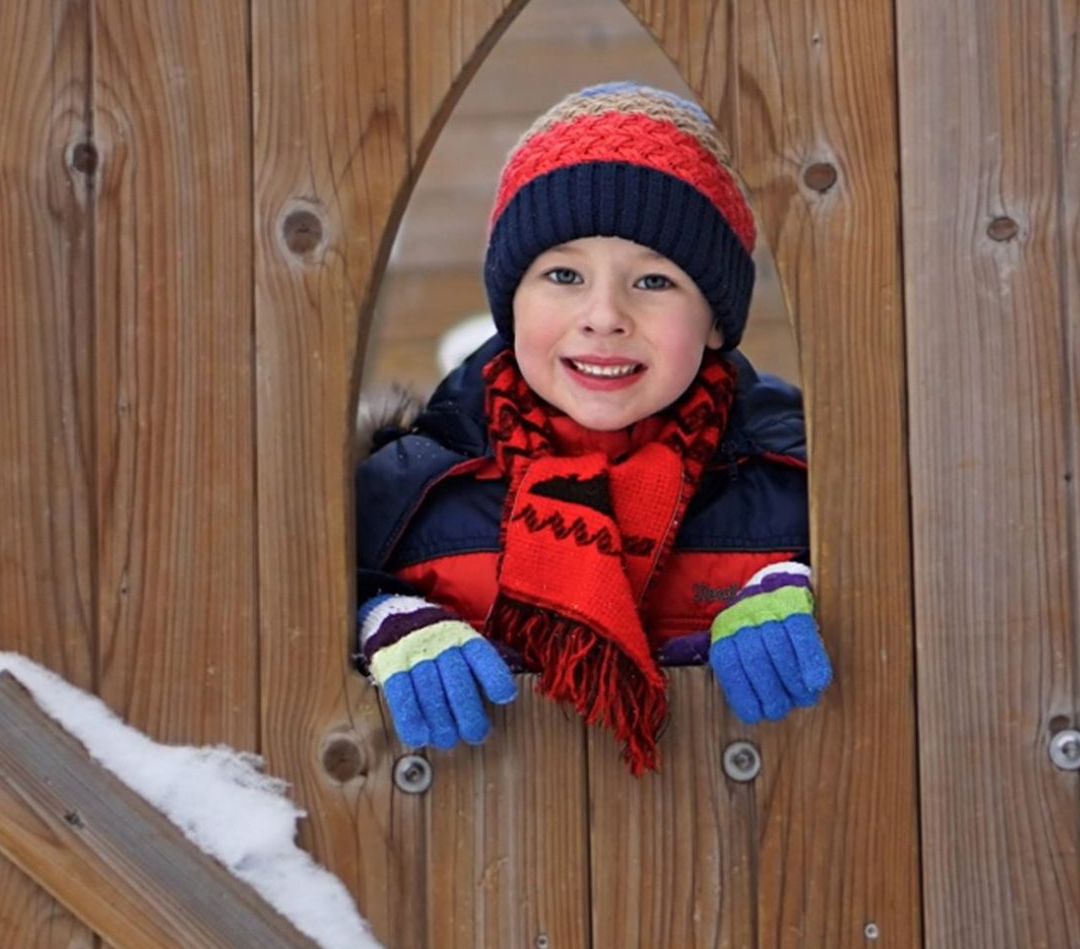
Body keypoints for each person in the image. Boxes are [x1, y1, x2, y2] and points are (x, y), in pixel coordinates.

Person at [350, 83, 829, 774]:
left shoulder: (803, 488)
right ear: (510, 304)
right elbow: (294, 623)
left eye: (655, 281)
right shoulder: (408, 496)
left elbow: (913, 589)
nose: (604, 314)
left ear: (717, 319)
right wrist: (379, 619)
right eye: (564, 273)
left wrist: (817, 583)